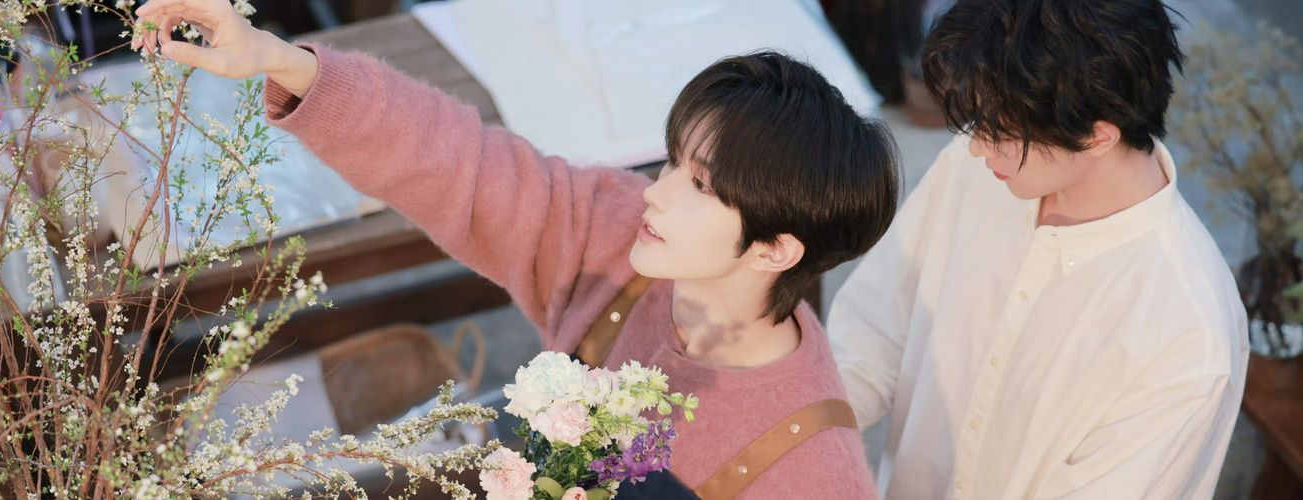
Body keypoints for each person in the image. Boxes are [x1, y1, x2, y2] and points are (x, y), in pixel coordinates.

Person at [131, 0, 898, 496]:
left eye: (699, 185)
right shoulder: (619, 238)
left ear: (775, 250)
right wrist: (280, 60)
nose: (655, 193)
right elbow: (460, 162)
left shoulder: (808, 468)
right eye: (671, 163)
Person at [826, 0, 1247, 498]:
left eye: (999, 130)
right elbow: (872, 332)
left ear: (1097, 136)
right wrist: (795, 445)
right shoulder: (976, 169)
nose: (976, 145)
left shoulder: (1187, 339)